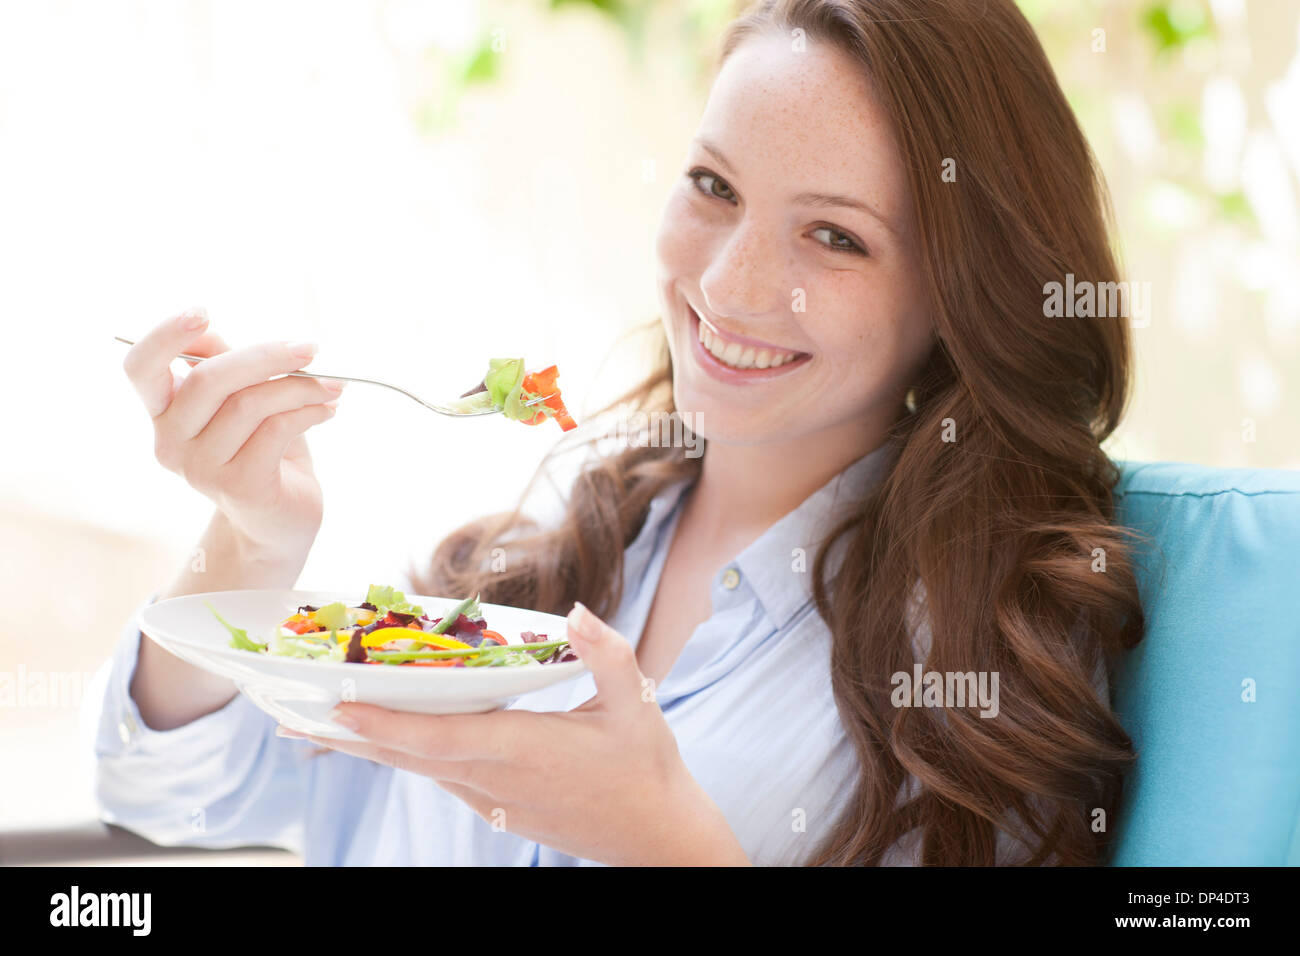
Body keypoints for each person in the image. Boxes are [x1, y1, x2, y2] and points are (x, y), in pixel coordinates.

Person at [90, 0, 1146, 866]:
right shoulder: (545, 543)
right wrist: (251, 539)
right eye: (712, 185)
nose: (728, 285)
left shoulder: (975, 655)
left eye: (835, 235)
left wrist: (668, 845)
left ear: (958, 290)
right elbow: (165, 788)